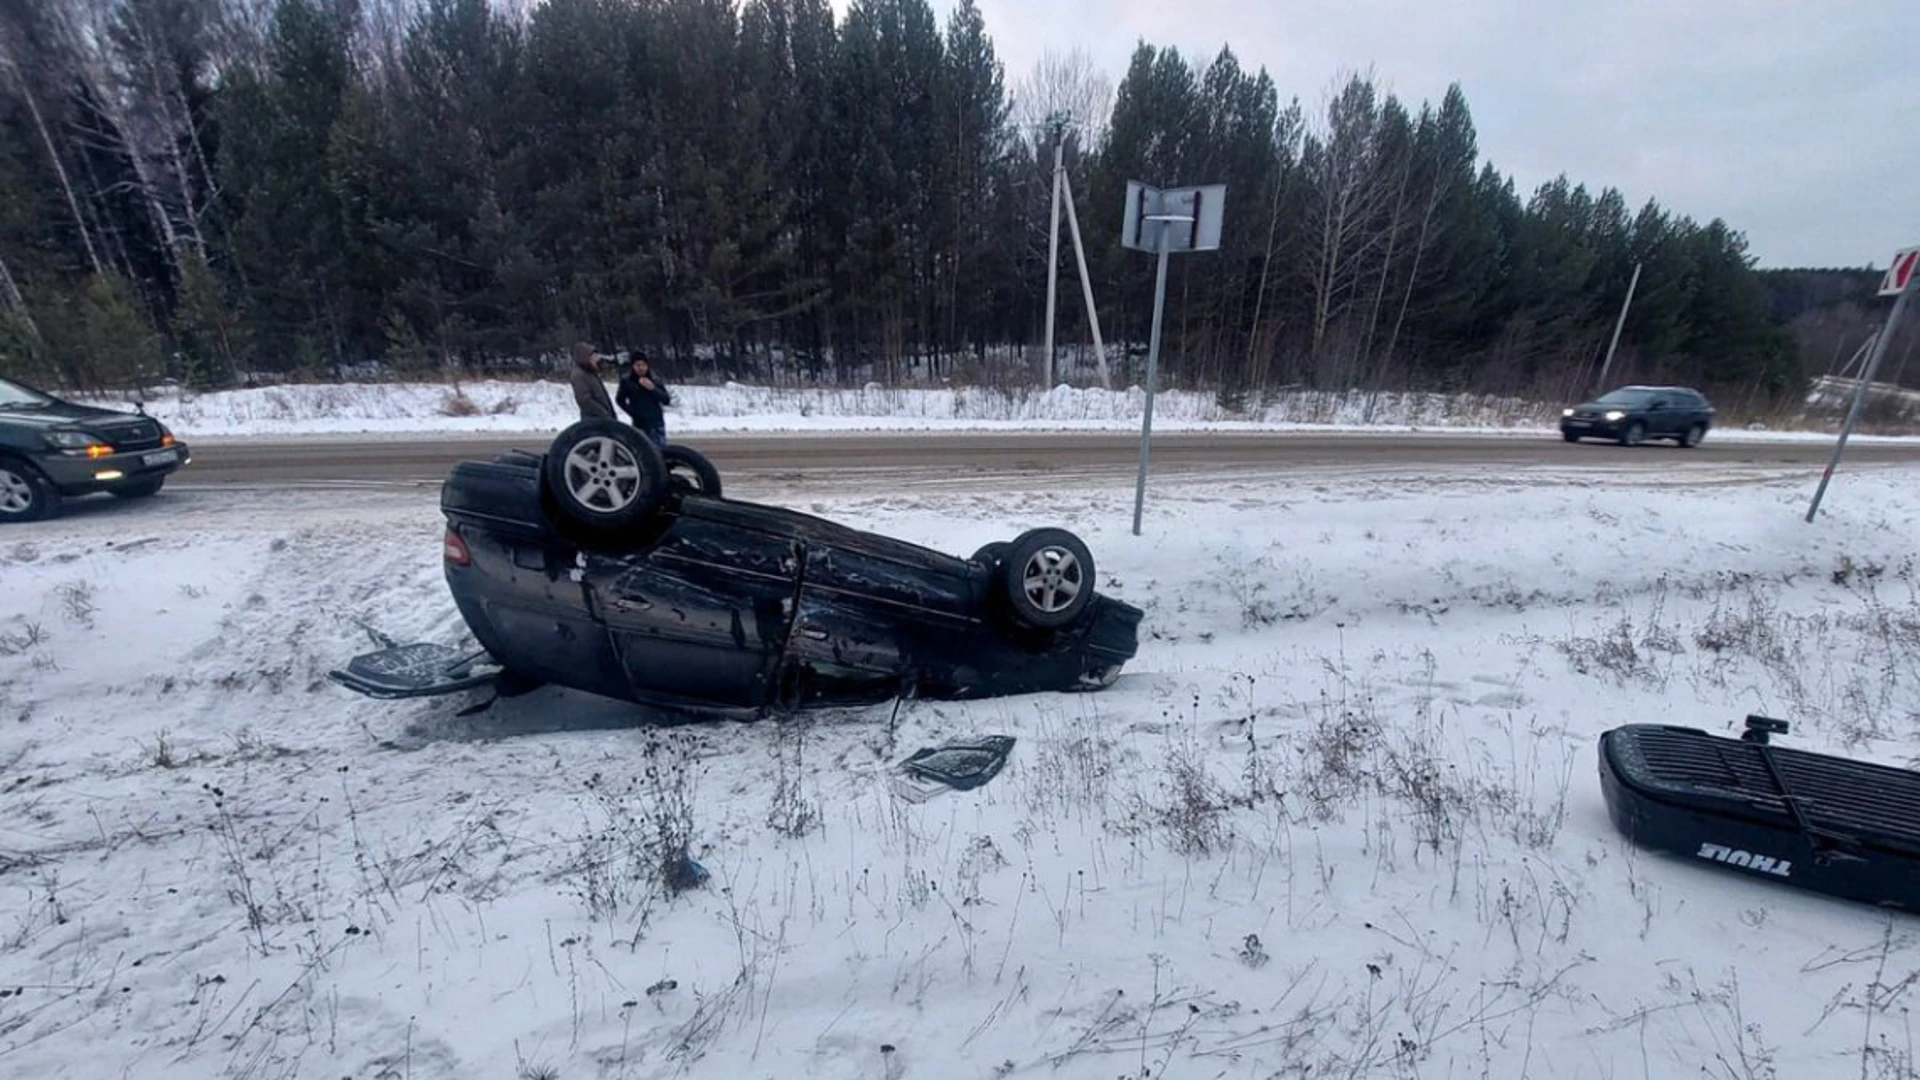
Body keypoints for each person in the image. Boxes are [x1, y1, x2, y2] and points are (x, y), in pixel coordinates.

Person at [616, 351, 672, 446]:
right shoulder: (627, 381)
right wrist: (632, 412)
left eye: (643, 365)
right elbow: (620, 400)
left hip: (656, 423)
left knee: (660, 453)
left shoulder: (654, 379)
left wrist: (653, 389)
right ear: (633, 366)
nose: (641, 368)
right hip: (639, 424)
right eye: (638, 365)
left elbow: (666, 400)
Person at [569, 341, 616, 422]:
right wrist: (603, 413)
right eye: (593, 356)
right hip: (594, 420)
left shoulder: (591, 373)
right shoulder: (579, 375)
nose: (596, 359)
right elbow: (584, 400)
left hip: (603, 419)